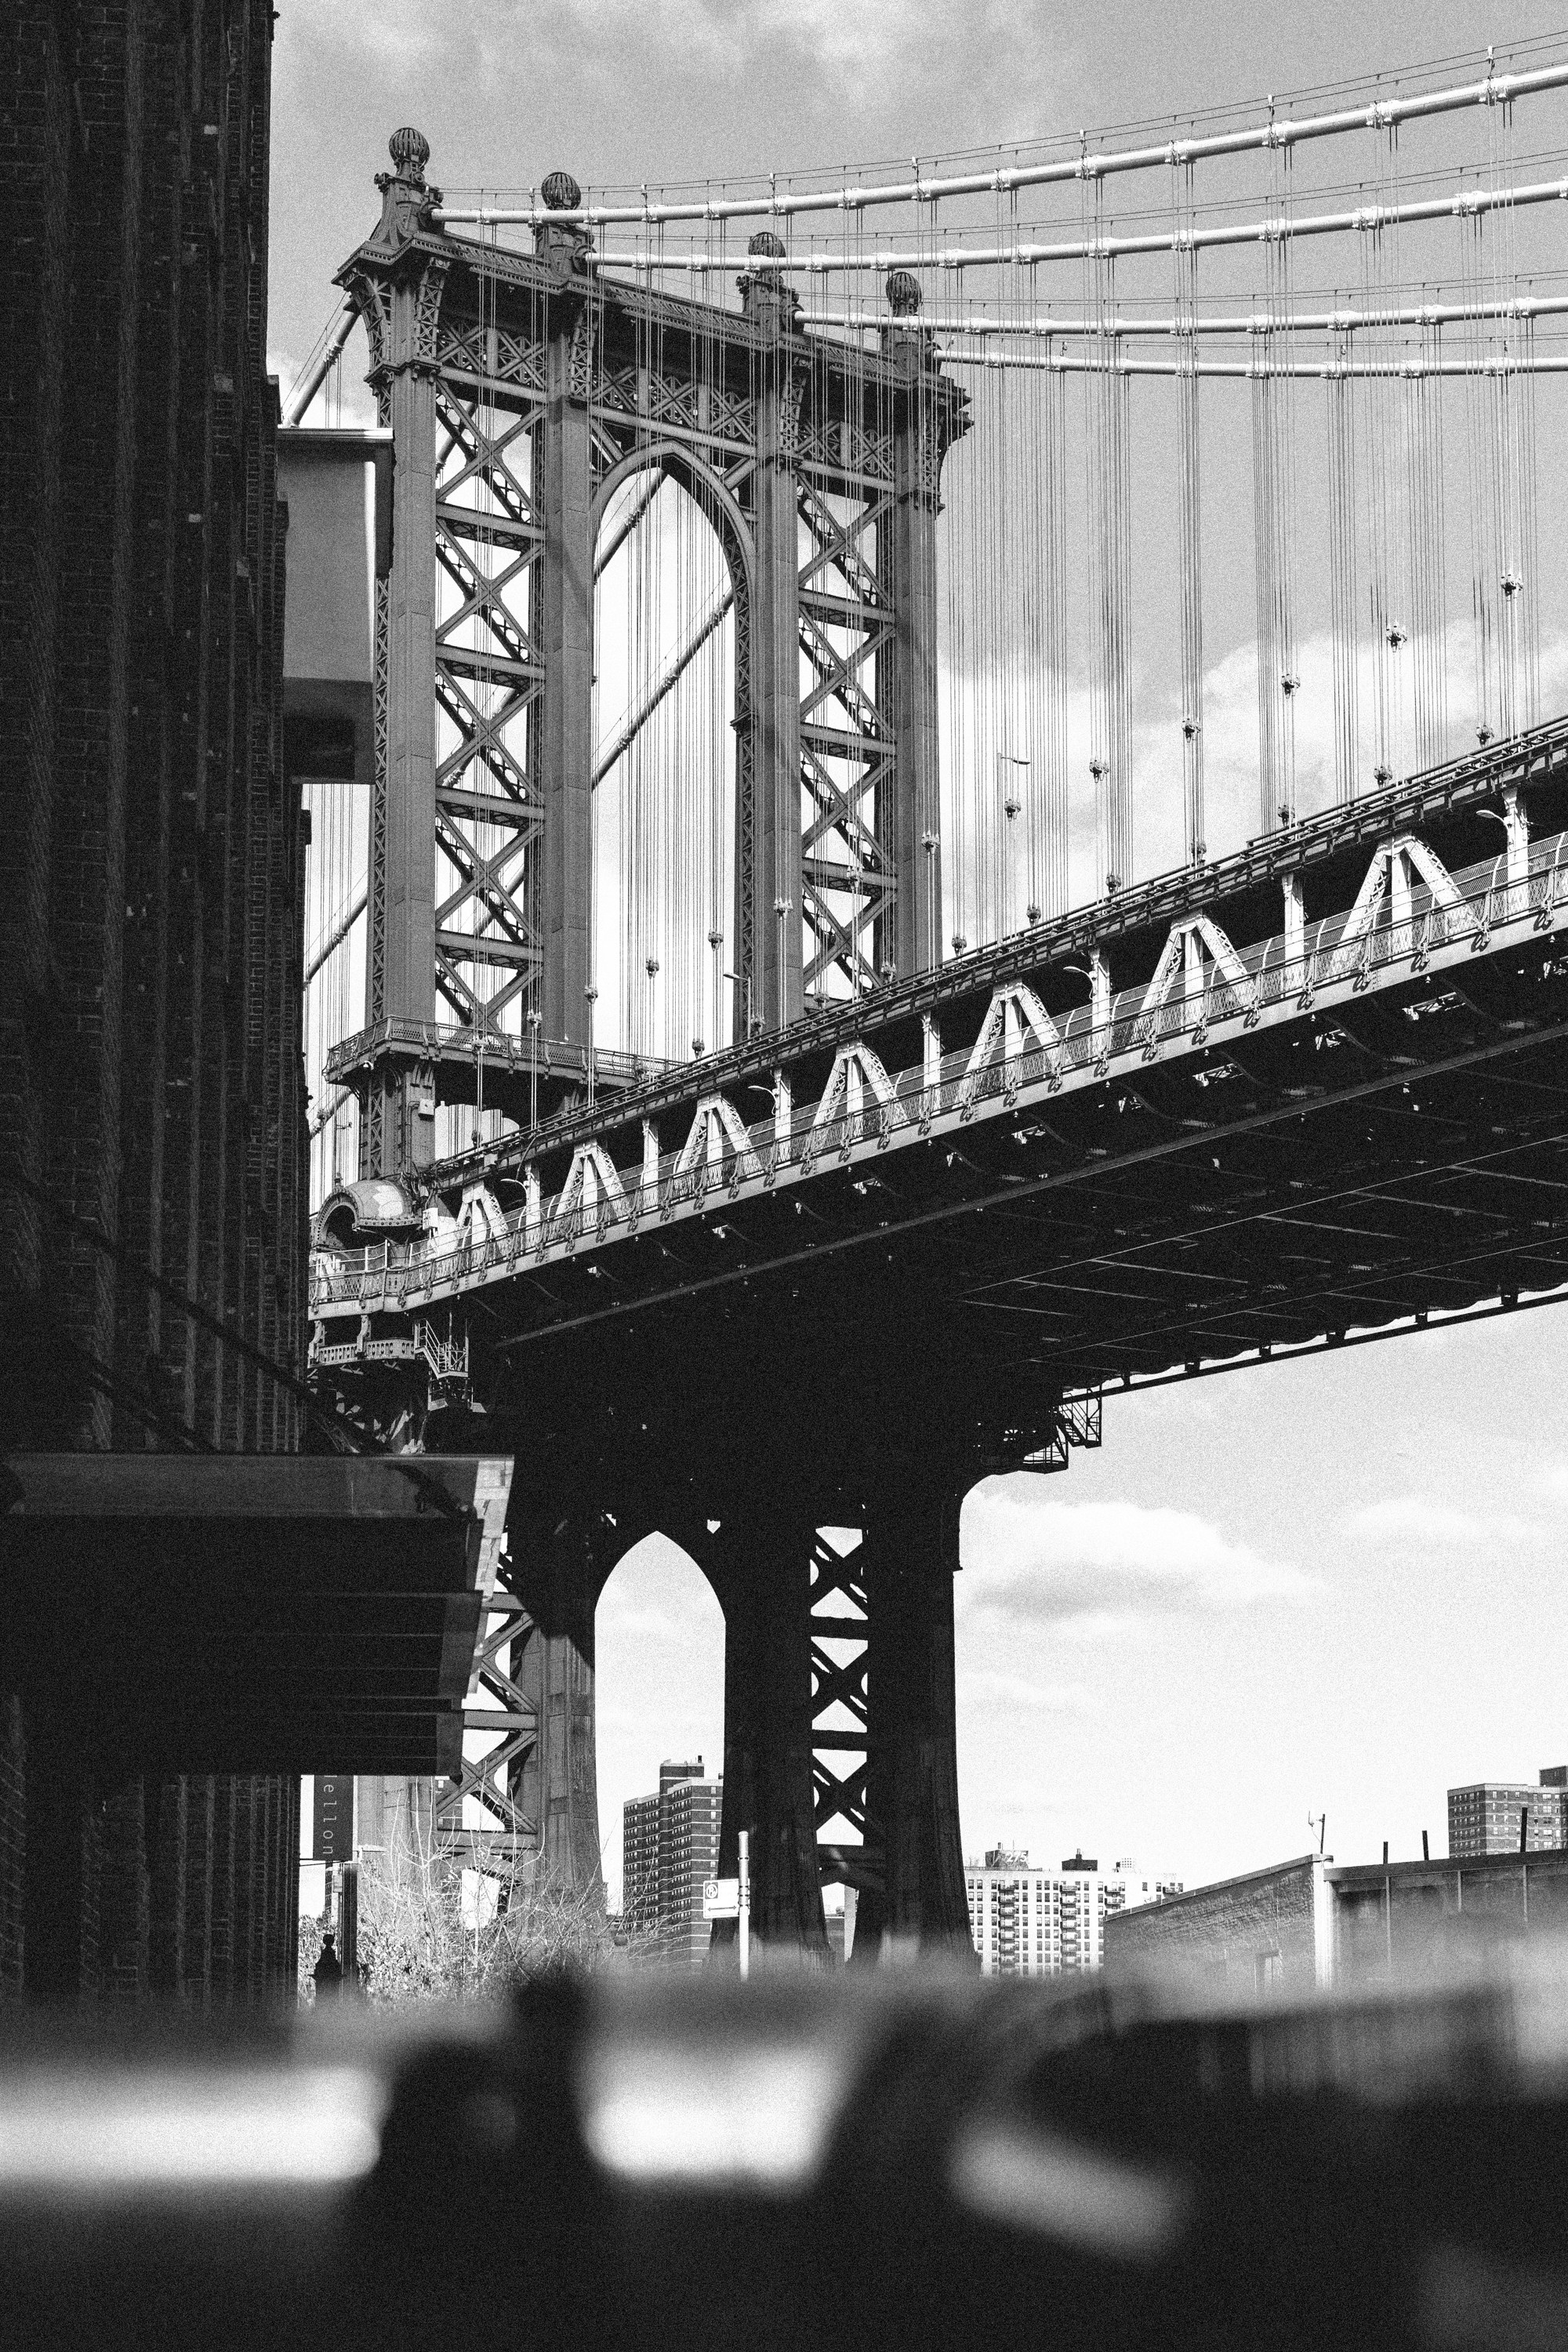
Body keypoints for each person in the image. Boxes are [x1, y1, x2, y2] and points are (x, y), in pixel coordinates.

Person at [312, 1929, 344, 1998]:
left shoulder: (326, 1954)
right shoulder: (330, 1954)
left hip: (323, 1983)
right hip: (331, 1983)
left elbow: (319, 1965)